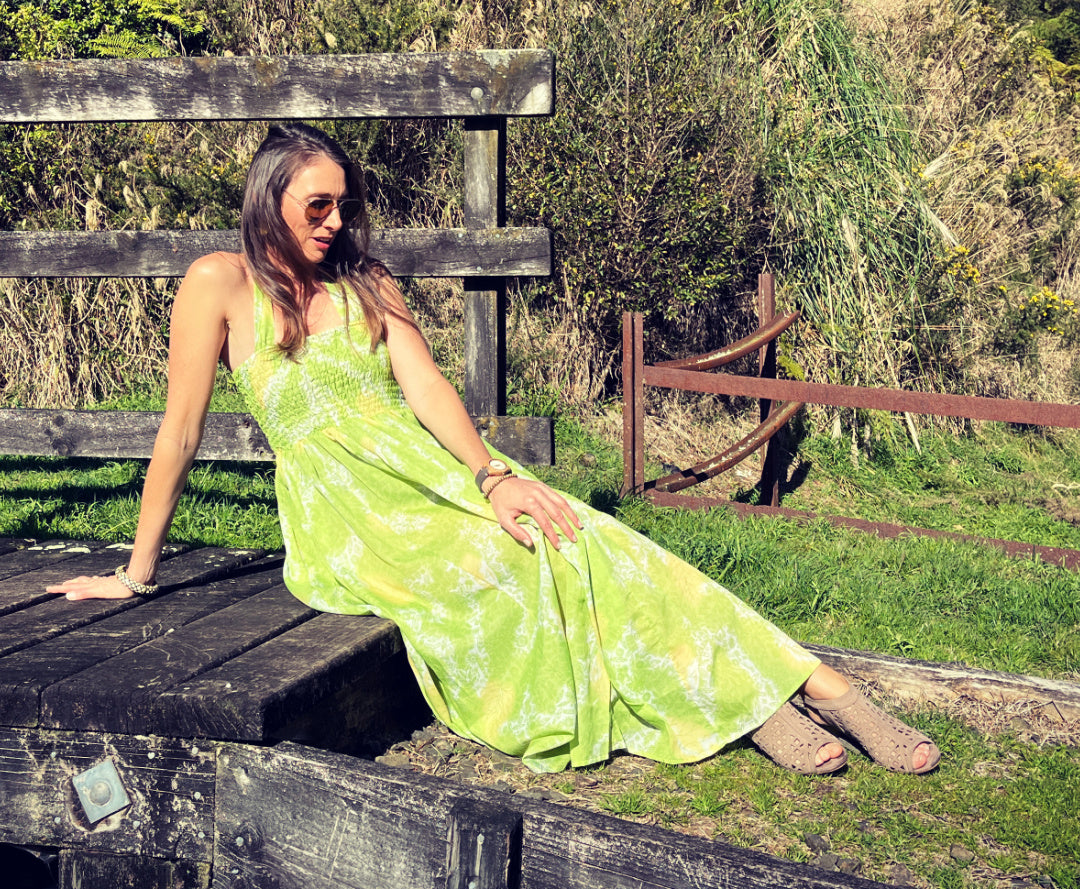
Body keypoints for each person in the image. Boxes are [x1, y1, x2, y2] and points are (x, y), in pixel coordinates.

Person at [49, 123, 939, 777]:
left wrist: (491, 475)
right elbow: (180, 431)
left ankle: (809, 688)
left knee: (580, 536)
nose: (333, 221)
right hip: (349, 520)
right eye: (316, 204)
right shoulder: (219, 282)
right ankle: (750, 700)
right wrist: (136, 573)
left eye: (344, 205)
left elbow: (429, 388)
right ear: (267, 199)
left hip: (430, 478)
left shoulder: (366, 282)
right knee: (508, 570)